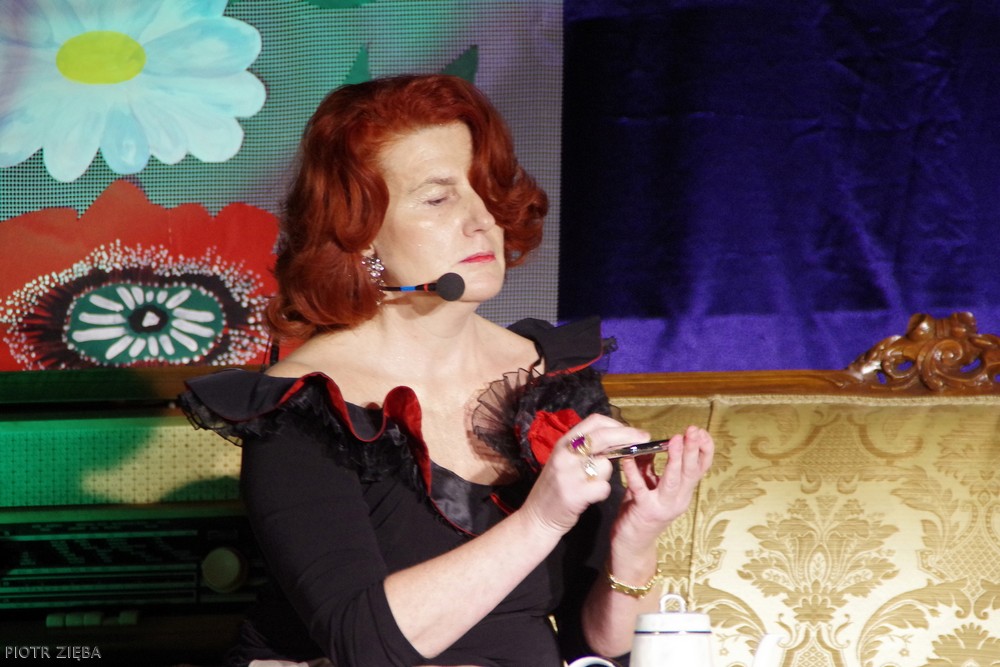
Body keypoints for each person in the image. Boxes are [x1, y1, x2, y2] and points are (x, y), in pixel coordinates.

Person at [180, 73, 714, 667]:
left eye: (483, 189)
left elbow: (600, 648)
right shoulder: (301, 406)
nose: (482, 217)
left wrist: (634, 541)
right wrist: (541, 518)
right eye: (438, 199)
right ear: (361, 237)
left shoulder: (551, 378)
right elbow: (363, 644)